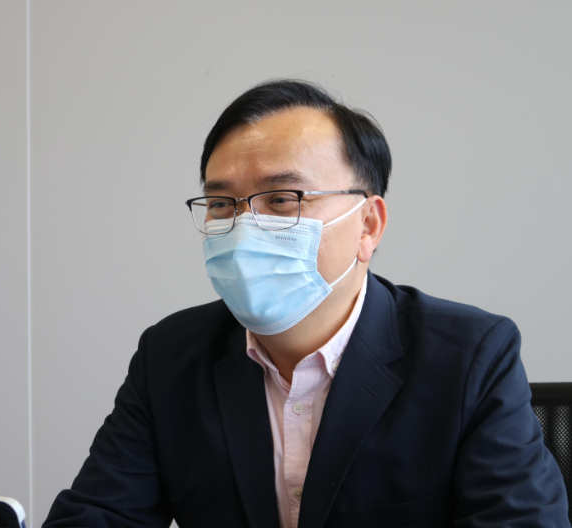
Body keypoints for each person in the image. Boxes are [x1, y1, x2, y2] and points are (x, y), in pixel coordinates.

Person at [43, 80, 569, 528]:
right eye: (222, 203)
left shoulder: (470, 357)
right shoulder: (170, 357)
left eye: (282, 199)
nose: (245, 227)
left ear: (368, 226)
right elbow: (98, 516)